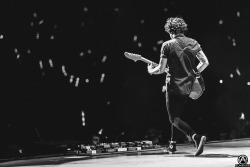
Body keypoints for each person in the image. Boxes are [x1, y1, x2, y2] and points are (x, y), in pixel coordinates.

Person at [147, 16, 209, 156]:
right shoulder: (193, 42)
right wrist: (194, 72)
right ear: (183, 29)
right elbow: (205, 62)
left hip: (173, 86)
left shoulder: (167, 45)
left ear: (170, 30)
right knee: (177, 116)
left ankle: (196, 137)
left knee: (173, 119)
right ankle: (172, 145)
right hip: (189, 86)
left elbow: (161, 70)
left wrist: (150, 70)